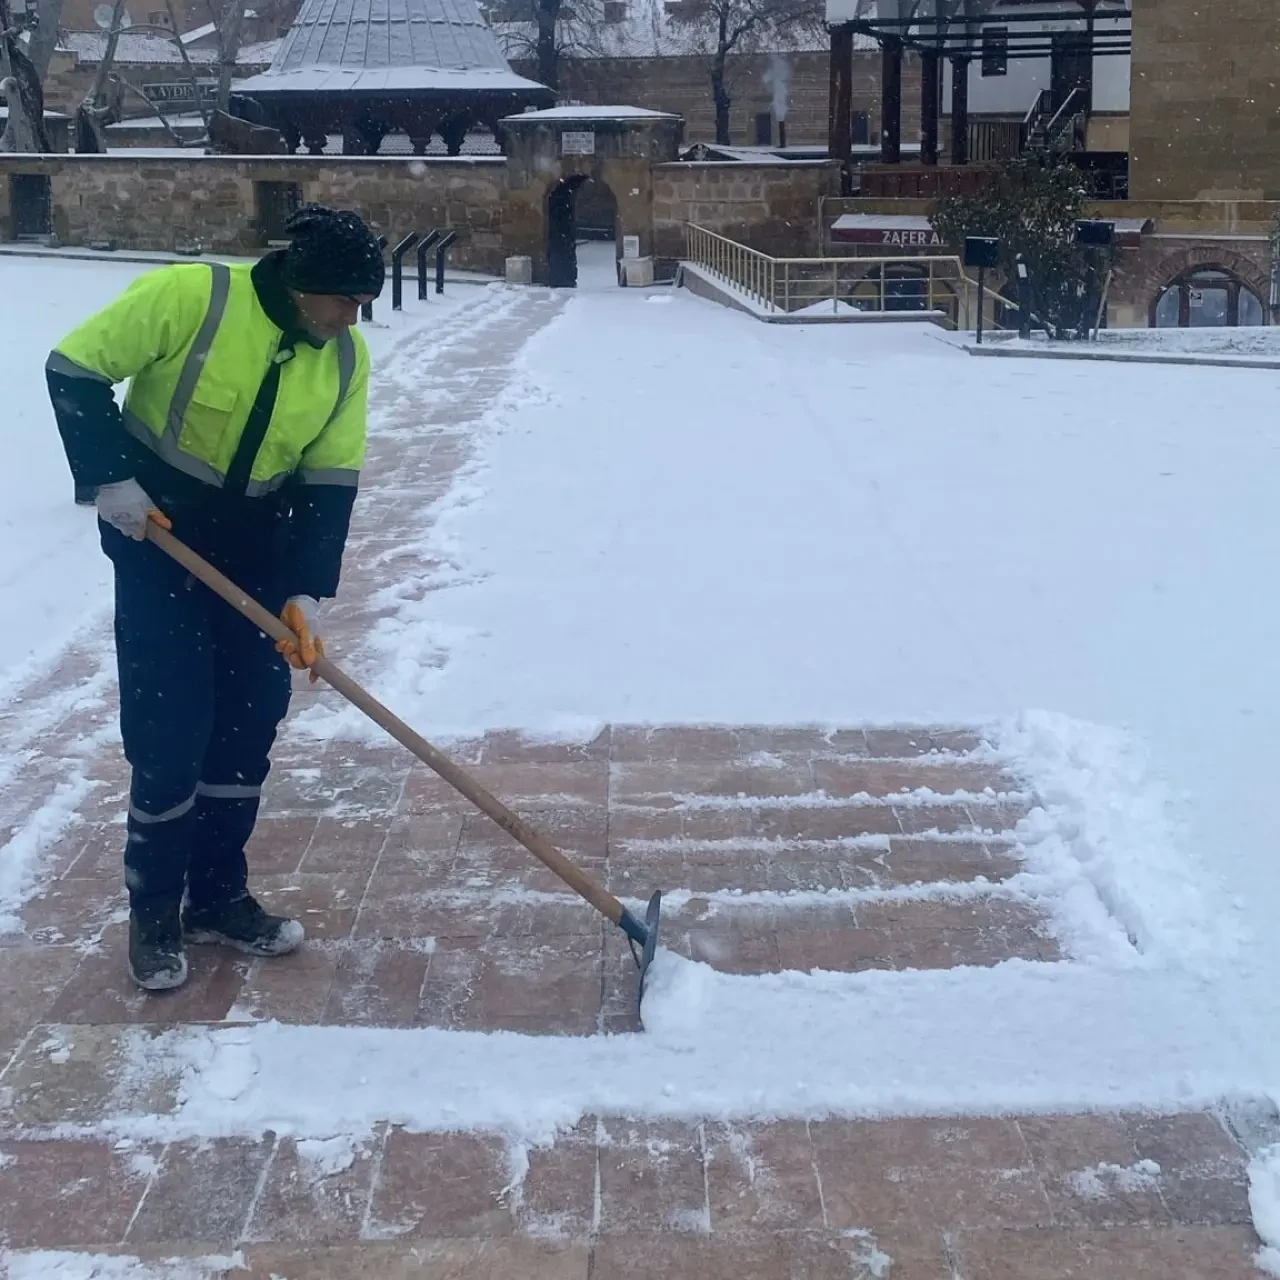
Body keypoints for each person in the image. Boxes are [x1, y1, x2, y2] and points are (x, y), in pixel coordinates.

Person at [45, 205, 385, 992]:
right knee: (171, 731)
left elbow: (329, 478)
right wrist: (111, 477)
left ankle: (217, 897)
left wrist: (305, 588)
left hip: (256, 553)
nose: (352, 318)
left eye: (362, 304)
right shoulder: (194, 298)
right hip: (158, 536)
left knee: (245, 725)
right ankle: (155, 913)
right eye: (344, 300)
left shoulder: (344, 359)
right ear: (301, 283)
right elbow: (75, 367)